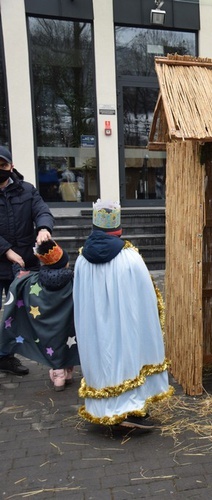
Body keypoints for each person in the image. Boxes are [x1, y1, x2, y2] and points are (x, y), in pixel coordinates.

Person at [74, 200, 172, 429]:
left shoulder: (81, 260)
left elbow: (79, 299)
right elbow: (147, 295)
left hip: (95, 329)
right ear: (118, 228)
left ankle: (104, 409)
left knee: (103, 359)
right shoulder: (130, 257)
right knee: (126, 356)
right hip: (125, 325)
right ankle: (129, 408)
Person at [0, 145, 55, 377]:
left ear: (11, 166)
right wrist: (6, 251)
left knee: (26, 312)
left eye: (2, 165)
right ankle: (5, 355)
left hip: (26, 266)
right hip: (4, 261)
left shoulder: (27, 190)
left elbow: (42, 211)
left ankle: (15, 355)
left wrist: (43, 228)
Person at [0, 238, 78, 391]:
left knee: (52, 346)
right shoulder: (74, 281)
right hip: (67, 325)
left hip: (46, 330)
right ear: (65, 263)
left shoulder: (33, 281)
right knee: (67, 343)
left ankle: (58, 376)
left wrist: (17, 266)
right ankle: (68, 372)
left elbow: (20, 277)